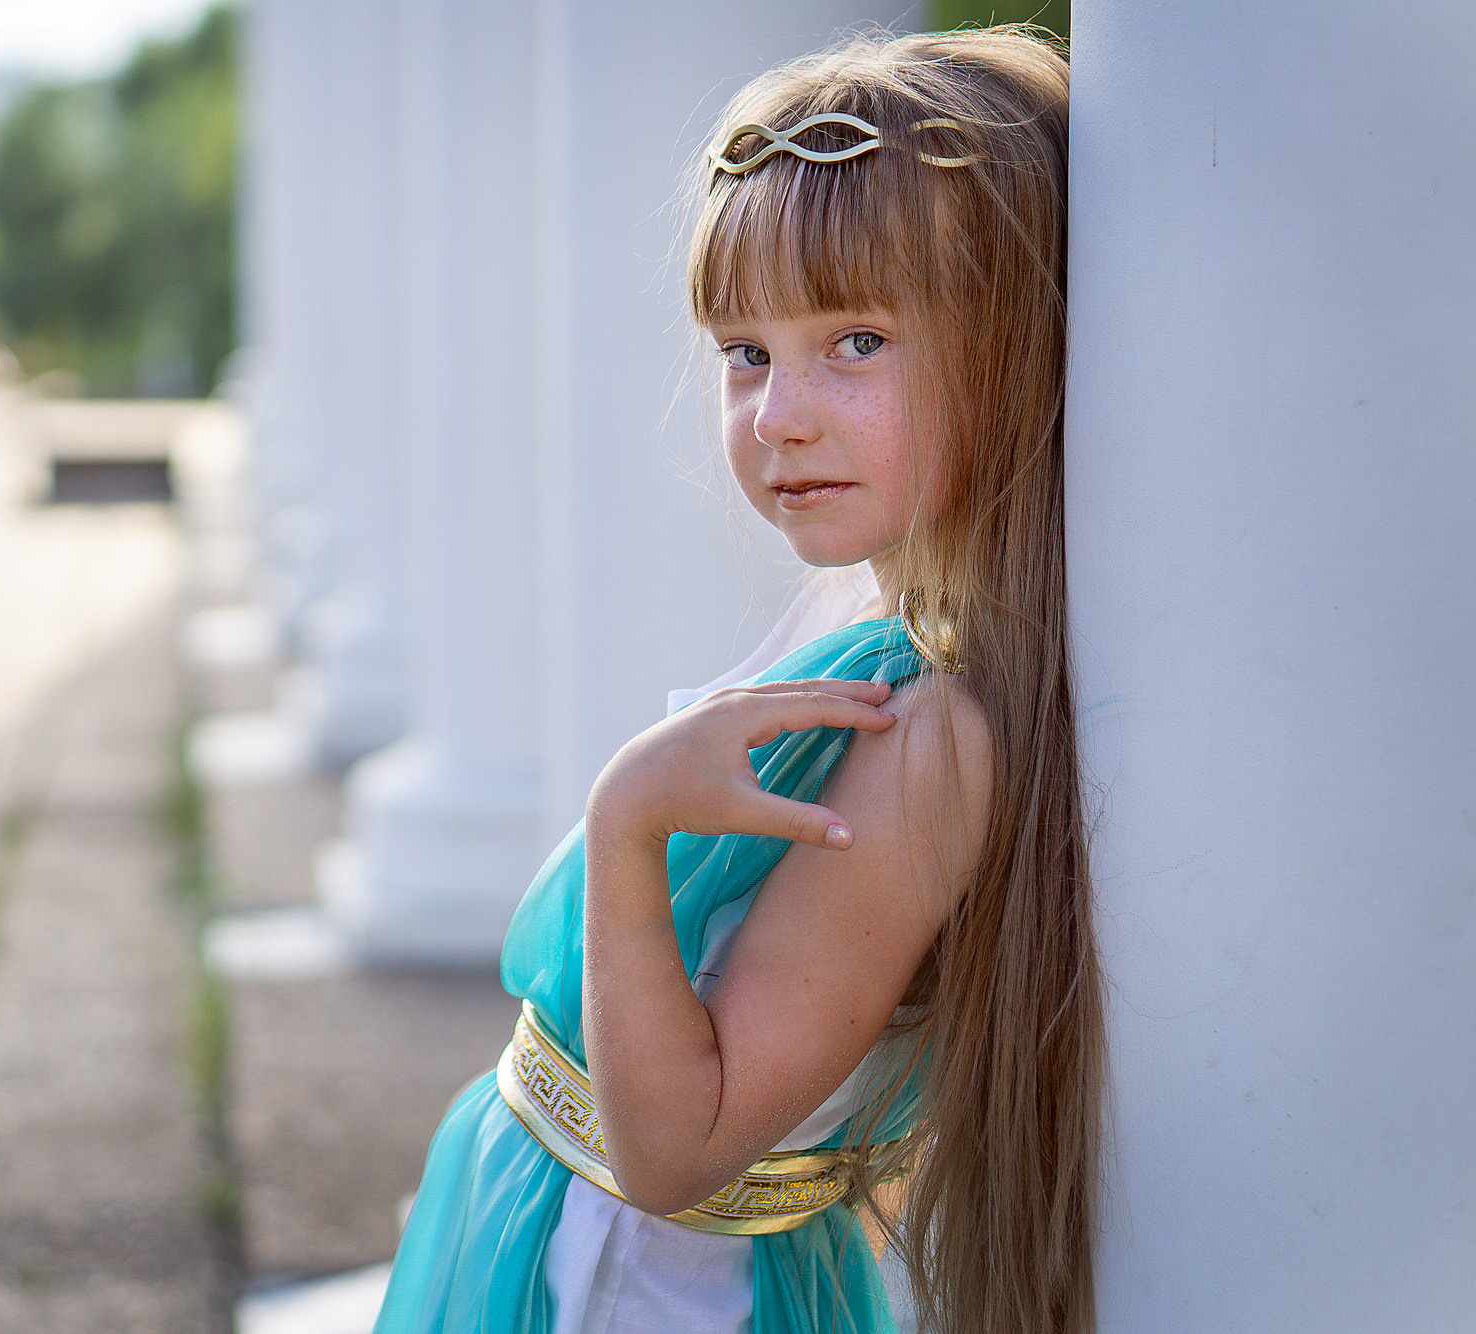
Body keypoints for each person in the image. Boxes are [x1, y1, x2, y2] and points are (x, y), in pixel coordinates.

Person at [374, 27, 1103, 1334]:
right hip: (552, 1229)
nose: (778, 416)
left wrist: (629, 817)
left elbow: (678, 1145)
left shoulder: (933, 736)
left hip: (648, 1290)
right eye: (745, 352)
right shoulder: (872, 600)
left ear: (1017, 342)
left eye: (859, 341)